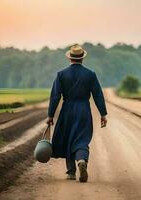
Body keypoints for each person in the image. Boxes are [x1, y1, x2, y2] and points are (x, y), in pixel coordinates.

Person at [46, 44, 107, 183]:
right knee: (82, 139)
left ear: (70, 58)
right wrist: (103, 114)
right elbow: (98, 95)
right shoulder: (90, 74)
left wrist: (50, 115)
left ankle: (71, 172)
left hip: (67, 110)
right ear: (82, 59)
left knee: (68, 139)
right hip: (84, 110)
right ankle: (81, 160)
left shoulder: (61, 74)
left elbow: (55, 96)